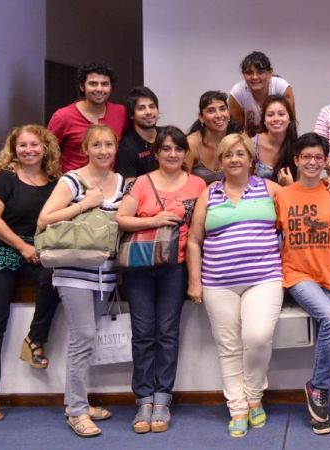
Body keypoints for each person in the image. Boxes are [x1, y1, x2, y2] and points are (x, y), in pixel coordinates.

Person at [186, 133, 283, 438]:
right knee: (228, 347)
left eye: (240, 154)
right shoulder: (209, 194)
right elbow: (193, 241)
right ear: (221, 161)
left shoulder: (269, 188)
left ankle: (255, 395)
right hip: (218, 282)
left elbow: (306, 200)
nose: (234, 160)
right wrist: (194, 283)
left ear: (251, 159)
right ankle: (238, 407)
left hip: (264, 278)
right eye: (228, 155)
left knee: (258, 336)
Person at [116, 126, 207, 433]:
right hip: (139, 266)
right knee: (143, 332)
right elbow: (121, 219)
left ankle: (162, 397)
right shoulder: (142, 182)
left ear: (185, 153)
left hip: (175, 266)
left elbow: (198, 230)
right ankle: (143, 398)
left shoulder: (197, 184)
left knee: (167, 332)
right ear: (157, 153)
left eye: (178, 149)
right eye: (166, 149)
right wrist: (153, 220)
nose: (172, 154)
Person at [37, 124, 126, 437]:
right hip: (73, 272)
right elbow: (44, 219)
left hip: (105, 275)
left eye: (109, 145)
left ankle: (77, 402)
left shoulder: (122, 182)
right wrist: (84, 204)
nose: (103, 150)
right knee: (83, 337)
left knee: (87, 341)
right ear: (86, 148)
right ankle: (76, 411)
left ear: (116, 148)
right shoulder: (71, 180)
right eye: (97, 145)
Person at [0, 125, 62, 421]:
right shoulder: (5, 179)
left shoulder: (54, 181)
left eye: (34, 145)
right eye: (22, 145)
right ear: (14, 149)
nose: (28, 150)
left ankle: (34, 341)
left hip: (33, 252)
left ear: (45, 148)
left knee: (55, 278)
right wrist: (21, 248)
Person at [275, 133, 330, 435]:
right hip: (297, 274)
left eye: (318, 157)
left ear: (325, 160)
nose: (312, 162)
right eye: (307, 157)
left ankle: (318, 395)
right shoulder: (283, 195)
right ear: (297, 160)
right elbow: (270, 235)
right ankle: (318, 391)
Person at [48, 61, 128, 173]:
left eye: (104, 84)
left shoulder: (121, 112)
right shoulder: (63, 117)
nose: (99, 89)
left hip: (109, 183)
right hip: (74, 186)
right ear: (82, 86)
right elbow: (47, 154)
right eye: (93, 84)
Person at [228, 51, 296, 137]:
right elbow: (235, 132)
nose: (254, 77)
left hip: (280, 140)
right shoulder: (237, 92)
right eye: (249, 73)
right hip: (250, 143)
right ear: (243, 75)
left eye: (260, 72)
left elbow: (291, 123)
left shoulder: (281, 87)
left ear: (270, 73)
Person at [186, 91, 236, 185]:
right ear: (201, 117)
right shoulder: (191, 144)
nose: (219, 115)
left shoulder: (236, 141)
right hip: (198, 198)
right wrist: (207, 190)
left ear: (228, 113)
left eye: (222, 109)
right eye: (211, 111)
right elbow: (182, 185)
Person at [116, 87, 160, 182]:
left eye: (152, 106)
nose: (148, 112)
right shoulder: (126, 147)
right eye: (141, 108)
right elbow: (130, 186)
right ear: (132, 115)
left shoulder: (167, 135)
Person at [253, 95, 298, 185]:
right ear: (264, 121)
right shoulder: (252, 144)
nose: (276, 119)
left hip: (289, 197)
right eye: (270, 115)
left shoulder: (298, 147)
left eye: (281, 114)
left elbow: (305, 186)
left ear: (289, 119)